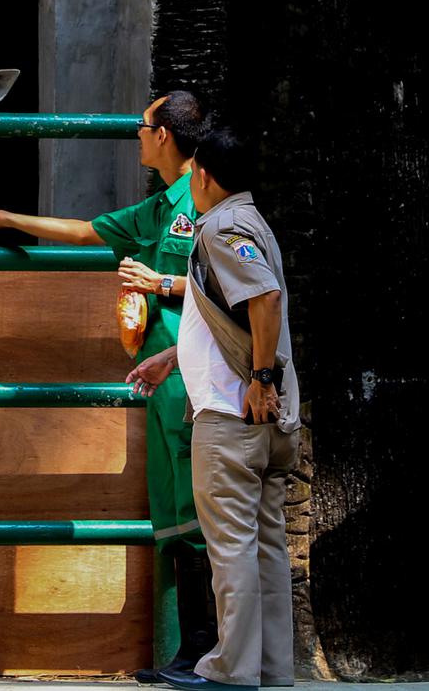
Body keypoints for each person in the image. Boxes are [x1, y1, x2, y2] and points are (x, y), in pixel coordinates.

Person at [0, 90, 216, 681]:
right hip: (158, 382)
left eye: (143, 125)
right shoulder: (159, 208)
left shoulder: (206, 206)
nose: (136, 133)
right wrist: (4, 220)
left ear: (166, 138)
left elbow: (236, 291)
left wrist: (163, 285)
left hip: (189, 378)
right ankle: (190, 652)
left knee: (198, 517)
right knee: (174, 518)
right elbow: (81, 232)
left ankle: (205, 652)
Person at [127, 127, 300, 691]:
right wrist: (174, 358)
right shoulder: (252, 222)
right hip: (264, 419)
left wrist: (260, 378)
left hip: (233, 417)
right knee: (267, 547)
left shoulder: (222, 226)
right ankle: (271, 668)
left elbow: (264, 297)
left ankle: (231, 668)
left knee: (231, 550)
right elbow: (231, 314)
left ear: (201, 174)